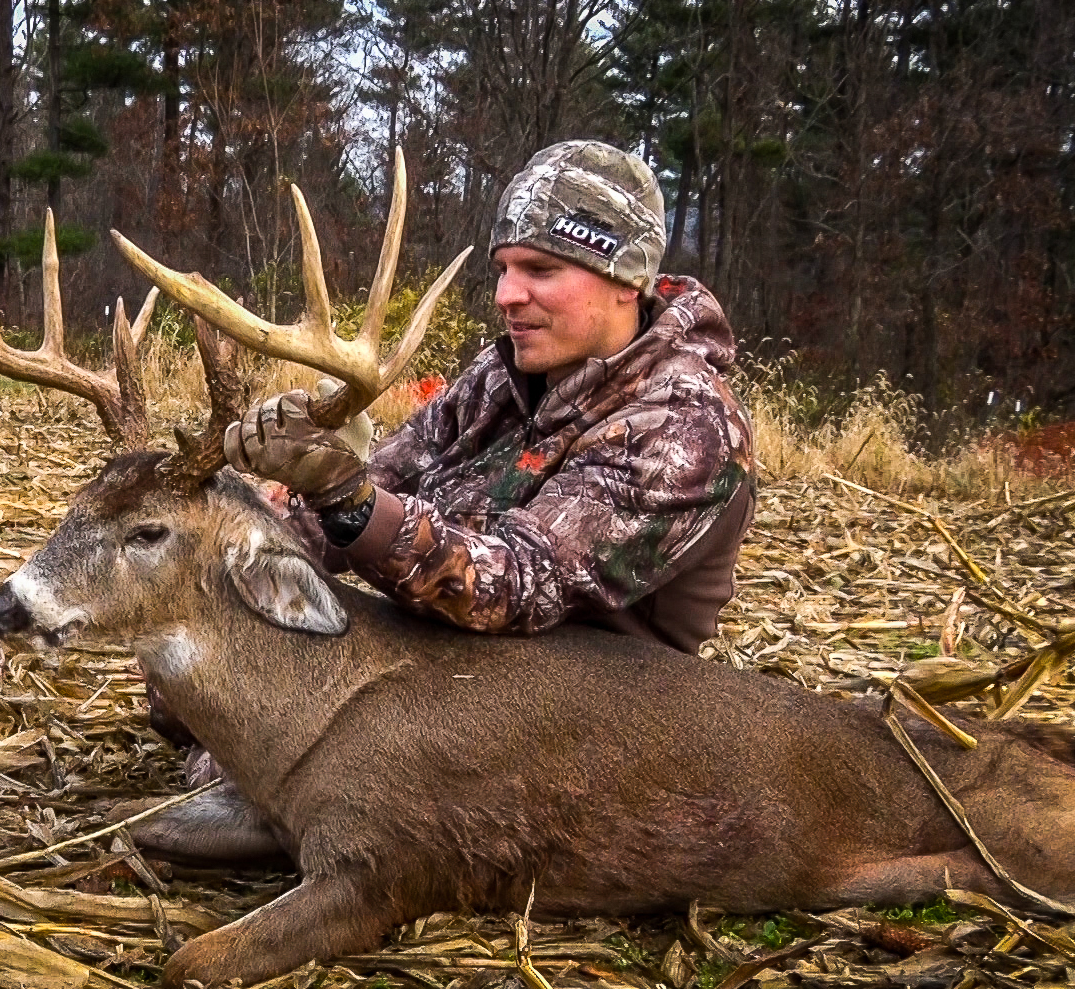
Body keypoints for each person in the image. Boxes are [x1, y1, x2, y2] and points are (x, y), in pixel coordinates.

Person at [224, 138, 756, 654]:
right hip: (453, 664)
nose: (506, 295)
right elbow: (388, 476)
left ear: (626, 280)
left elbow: (521, 582)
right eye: (503, 268)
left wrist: (346, 498)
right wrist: (252, 521)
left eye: (541, 270)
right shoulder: (502, 377)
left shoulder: (687, 426)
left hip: (585, 712)